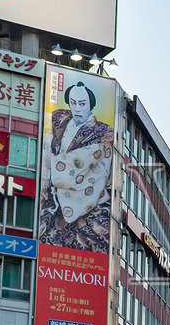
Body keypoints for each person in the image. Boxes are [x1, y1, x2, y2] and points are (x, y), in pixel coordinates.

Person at [37, 79, 115, 251]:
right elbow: (46, 148)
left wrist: (55, 163)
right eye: (73, 103)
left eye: (82, 103)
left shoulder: (103, 133)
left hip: (88, 204)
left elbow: (93, 163)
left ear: (91, 105)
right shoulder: (61, 123)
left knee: (86, 246)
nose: (77, 108)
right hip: (55, 199)